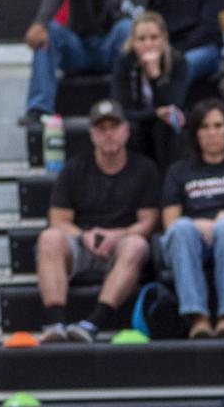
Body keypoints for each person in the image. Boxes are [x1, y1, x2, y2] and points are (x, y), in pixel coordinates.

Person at [34, 100, 160, 341]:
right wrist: (85, 236)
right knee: (49, 238)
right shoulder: (74, 168)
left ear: (126, 130)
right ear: (92, 134)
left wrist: (117, 235)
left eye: (114, 126)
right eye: (102, 128)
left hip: (122, 246)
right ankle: (55, 324)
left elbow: (149, 222)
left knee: (137, 244)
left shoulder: (144, 169)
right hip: (81, 244)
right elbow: (57, 219)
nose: (108, 134)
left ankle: (92, 324)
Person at [160, 101, 224, 338]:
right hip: (193, 238)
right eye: (205, 127)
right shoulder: (179, 171)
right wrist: (198, 223)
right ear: (195, 133)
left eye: (218, 125)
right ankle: (198, 317)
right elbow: (170, 221)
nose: (212, 132)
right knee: (181, 229)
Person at [112, 10, 190, 169]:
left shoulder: (178, 61)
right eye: (141, 39)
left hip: (164, 128)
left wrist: (155, 76)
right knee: (130, 128)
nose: (148, 44)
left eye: (154, 38)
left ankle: (169, 181)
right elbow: (120, 109)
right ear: (133, 41)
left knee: (167, 125)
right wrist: (155, 113)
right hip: (137, 124)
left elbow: (174, 105)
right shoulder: (124, 62)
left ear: (164, 39)